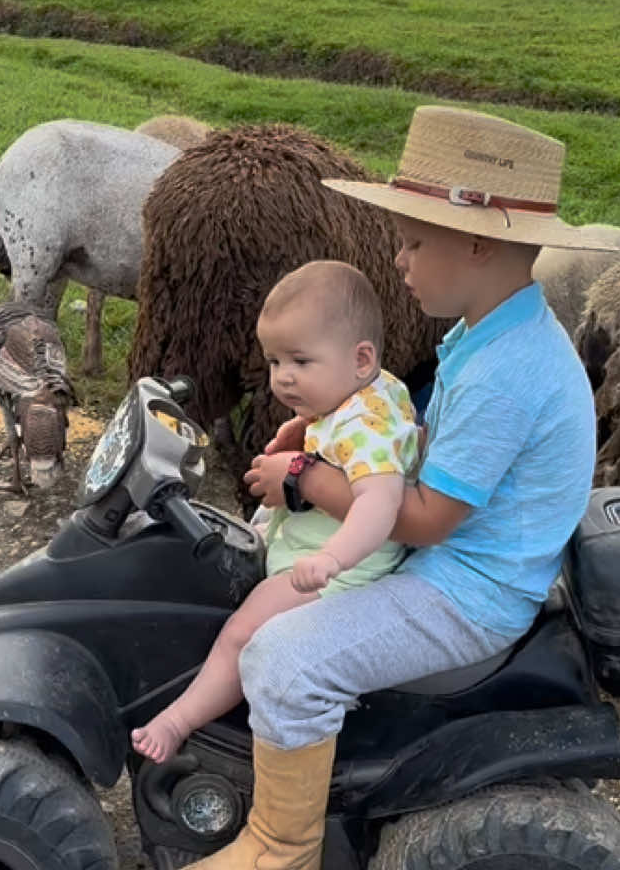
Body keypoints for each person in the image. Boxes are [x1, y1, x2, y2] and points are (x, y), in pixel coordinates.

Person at [162, 104, 614, 870]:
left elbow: (429, 516)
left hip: (466, 590)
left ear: (476, 243)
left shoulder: (507, 371)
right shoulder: (486, 333)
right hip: (461, 561)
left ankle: (282, 848)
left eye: (413, 240)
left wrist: (306, 477)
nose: (397, 259)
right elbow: (410, 442)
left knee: (284, 657)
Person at [132, 259, 420, 763]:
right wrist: (304, 433)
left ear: (361, 358)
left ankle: (178, 720)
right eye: (274, 362)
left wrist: (332, 559)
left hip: (337, 575)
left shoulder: (367, 427)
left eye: (300, 362)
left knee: (241, 633)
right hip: (309, 542)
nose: (283, 378)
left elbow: (382, 503)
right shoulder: (366, 392)